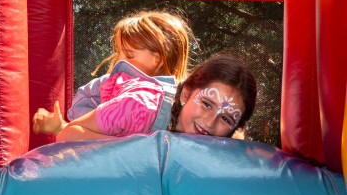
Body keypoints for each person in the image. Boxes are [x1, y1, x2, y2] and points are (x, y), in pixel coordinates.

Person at [33, 10, 193, 137]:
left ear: (158, 59)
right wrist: (61, 127)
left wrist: (63, 128)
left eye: (129, 55)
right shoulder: (116, 91)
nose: (119, 62)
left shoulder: (150, 101)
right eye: (118, 53)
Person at [44, 54, 257, 142]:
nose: (210, 123)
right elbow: (68, 135)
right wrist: (136, 148)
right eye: (207, 104)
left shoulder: (226, 138)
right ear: (186, 92)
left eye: (226, 119)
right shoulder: (138, 108)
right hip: (98, 101)